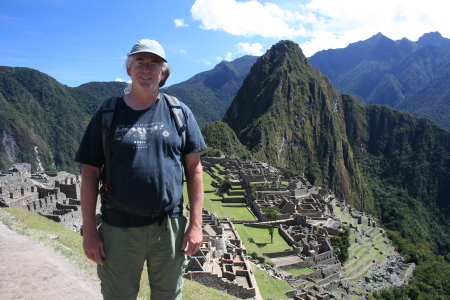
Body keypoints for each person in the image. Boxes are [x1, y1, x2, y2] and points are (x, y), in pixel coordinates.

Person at [75, 39, 207, 300]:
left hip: (168, 227)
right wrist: (89, 231)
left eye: (154, 64)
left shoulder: (179, 112)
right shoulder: (108, 113)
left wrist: (195, 225)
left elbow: (194, 170)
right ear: (129, 69)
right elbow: (90, 173)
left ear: (163, 72)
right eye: (140, 63)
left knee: (168, 296)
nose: (147, 69)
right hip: (119, 227)